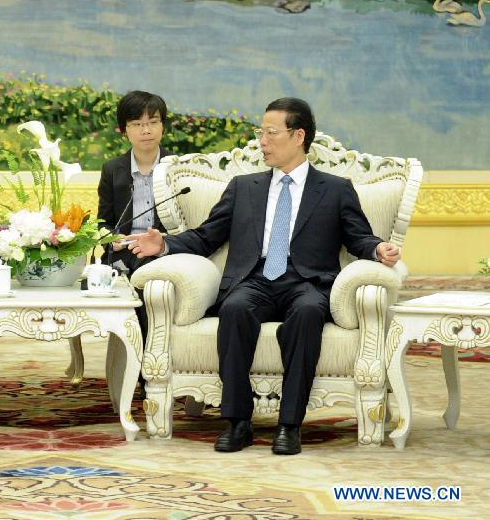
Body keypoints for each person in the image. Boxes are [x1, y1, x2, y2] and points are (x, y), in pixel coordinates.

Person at [126, 97, 399, 455]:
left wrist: (377, 249)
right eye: (261, 133)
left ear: (298, 135)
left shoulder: (335, 189)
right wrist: (163, 245)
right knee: (235, 310)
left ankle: (290, 425)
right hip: (254, 280)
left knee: (306, 314)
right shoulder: (244, 187)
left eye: (271, 133)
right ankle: (238, 422)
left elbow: (358, 236)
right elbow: (207, 236)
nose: (262, 141)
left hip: (307, 283)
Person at [96, 90, 173, 342]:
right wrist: (111, 238)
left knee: (145, 273)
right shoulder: (113, 170)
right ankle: (132, 354)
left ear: (163, 126)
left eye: (153, 122)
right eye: (137, 124)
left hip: (165, 249)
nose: (146, 130)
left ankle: (147, 357)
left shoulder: (178, 167)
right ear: (124, 130)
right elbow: (103, 222)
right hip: (125, 251)